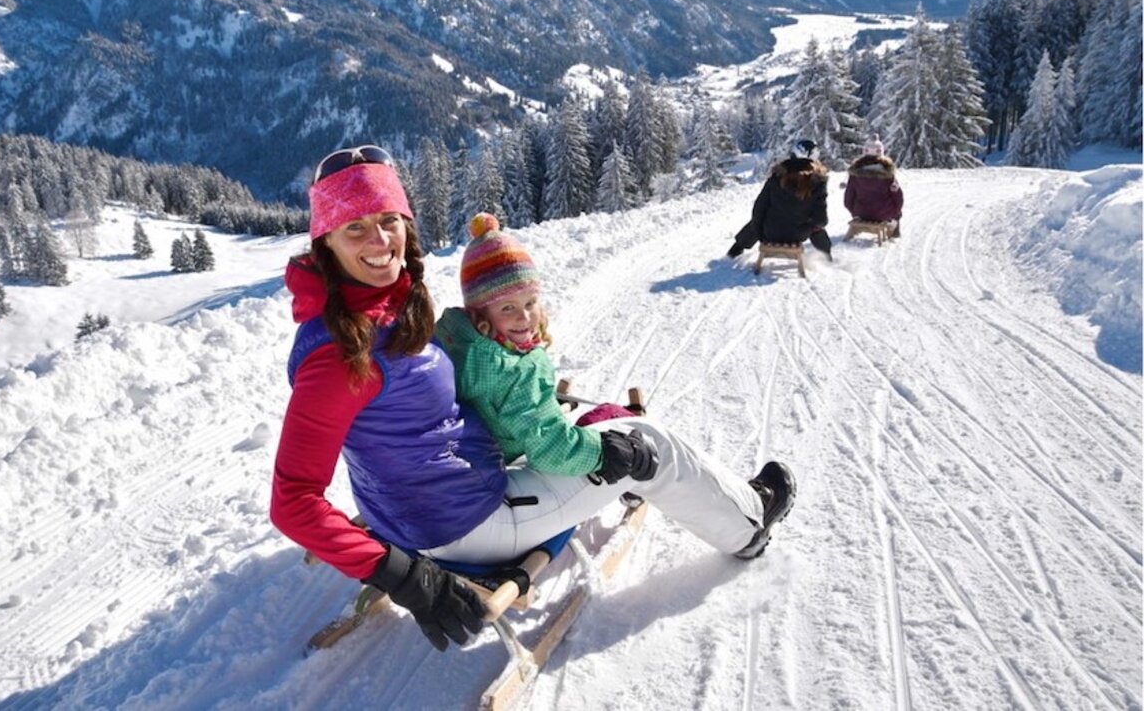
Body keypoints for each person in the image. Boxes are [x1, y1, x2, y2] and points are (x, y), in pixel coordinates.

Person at [270, 145, 795, 655]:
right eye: (355, 227)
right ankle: (749, 524)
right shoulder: (338, 356)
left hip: (422, 506)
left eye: (389, 218)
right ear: (326, 243)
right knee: (646, 444)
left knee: (573, 422)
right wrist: (405, 577)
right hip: (467, 523)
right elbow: (292, 502)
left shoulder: (386, 301)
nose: (380, 239)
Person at [433, 212, 658, 483]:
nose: (524, 317)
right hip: (512, 472)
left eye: (530, 303)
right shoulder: (517, 372)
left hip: (471, 459)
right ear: (480, 313)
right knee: (611, 417)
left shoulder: (453, 338)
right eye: (508, 307)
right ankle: (635, 480)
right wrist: (606, 454)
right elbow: (552, 449)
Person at [727, 138, 832, 260]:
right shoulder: (817, 181)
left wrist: (760, 233)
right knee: (816, 227)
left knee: (758, 219)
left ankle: (735, 250)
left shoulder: (777, 176)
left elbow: (759, 207)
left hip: (770, 231)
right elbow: (821, 219)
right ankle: (827, 257)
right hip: (797, 234)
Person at [844, 135, 904, 238]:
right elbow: (898, 198)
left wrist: (855, 212)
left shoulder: (855, 173)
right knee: (898, 213)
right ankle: (895, 233)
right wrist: (895, 212)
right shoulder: (887, 173)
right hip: (884, 214)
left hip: (861, 213)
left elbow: (848, 198)